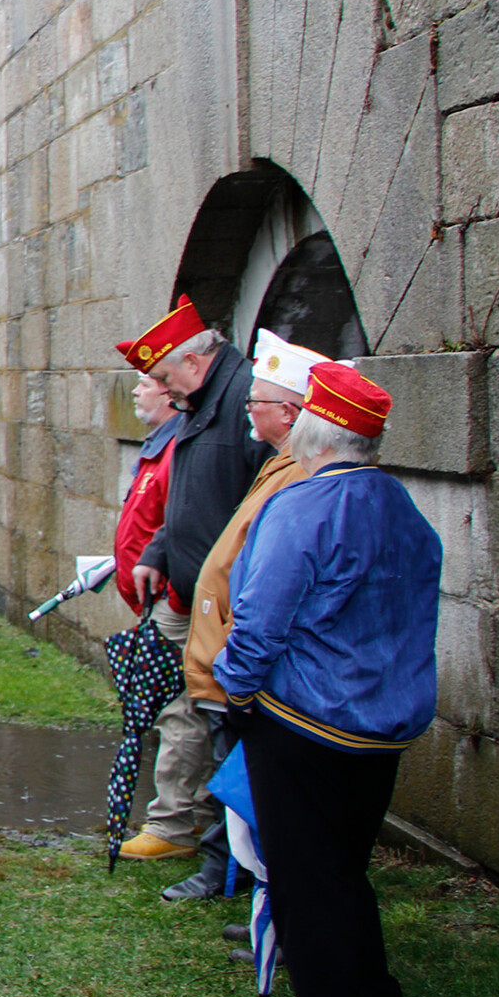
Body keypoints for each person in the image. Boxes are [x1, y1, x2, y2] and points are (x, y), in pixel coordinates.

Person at [214, 361, 439, 997]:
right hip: (384, 720)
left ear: (315, 429)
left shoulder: (304, 506)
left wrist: (235, 692)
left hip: (307, 718)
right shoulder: (399, 504)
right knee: (343, 865)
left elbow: (259, 620)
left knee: (305, 874)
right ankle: (379, 995)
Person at [158, 329, 329, 901]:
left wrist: (238, 665)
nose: (247, 411)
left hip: (249, 657)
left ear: (289, 412)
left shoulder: (300, 474)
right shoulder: (280, 460)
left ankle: (248, 884)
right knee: (239, 770)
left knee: (250, 777)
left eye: (257, 403)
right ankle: (243, 880)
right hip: (229, 642)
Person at [119, 296, 272, 862]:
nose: (162, 389)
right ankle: (184, 827)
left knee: (215, 714)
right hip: (187, 590)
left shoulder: (244, 401)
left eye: (163, 376)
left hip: (225, 600)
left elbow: (262, 503)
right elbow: (185, 494)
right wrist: (159, 549)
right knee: (179, 707)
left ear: (193, 361)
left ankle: (218, 844)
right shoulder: (203, 403)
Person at [110, 344, 183, 616]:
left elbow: (180, 522)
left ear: (168, 394)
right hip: (149, 599)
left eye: (144, 384)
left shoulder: (177, 448)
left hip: (163, 598)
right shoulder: (160, 444)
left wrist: (172, 600)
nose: (135, 392)